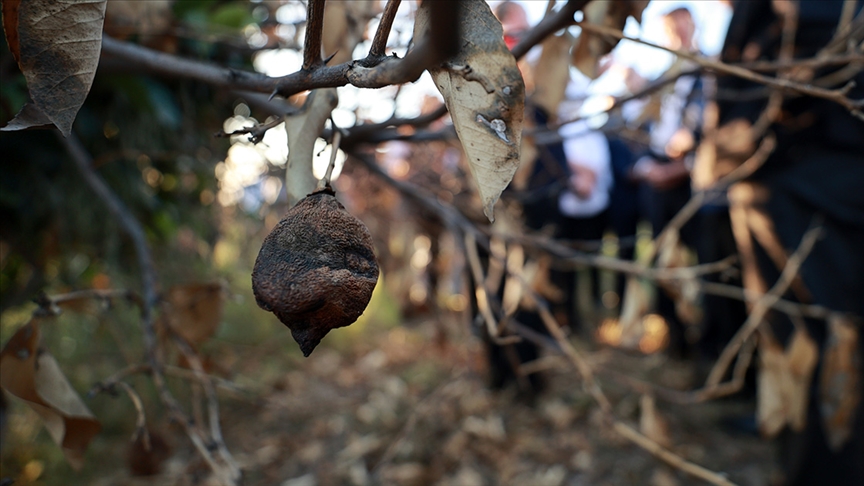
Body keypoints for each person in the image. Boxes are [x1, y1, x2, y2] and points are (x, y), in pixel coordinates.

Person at [712, 1, 864, 484]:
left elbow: (813, 37)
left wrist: (744, 124)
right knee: (787, 333)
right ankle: (791, 439)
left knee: (824, 337)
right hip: (782, 173)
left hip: (813, 175)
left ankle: (822, 465)